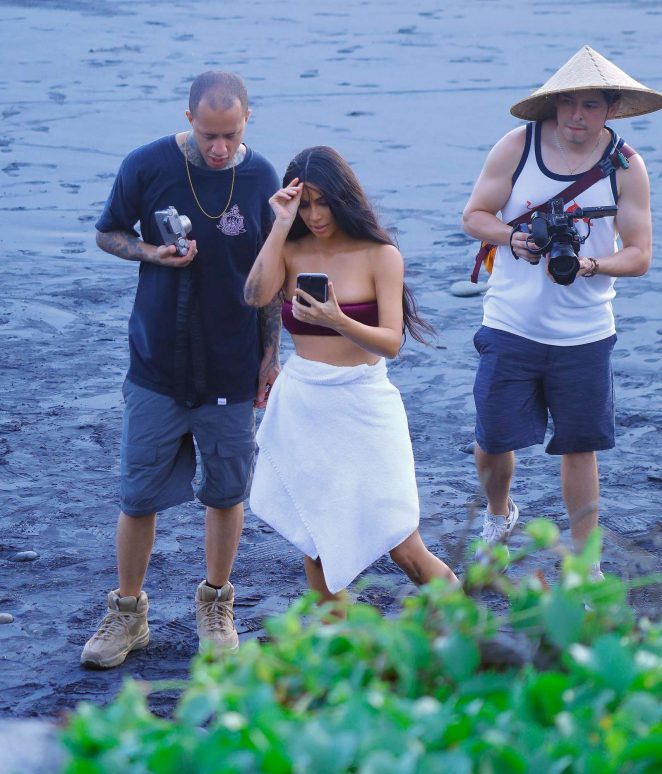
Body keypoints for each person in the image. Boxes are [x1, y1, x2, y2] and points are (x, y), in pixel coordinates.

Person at [81, 71, 281, 668]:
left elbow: (269, 280)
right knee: (138, 496)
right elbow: (106, 233)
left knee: (225, 493)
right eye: (208, 133)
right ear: (187, 116)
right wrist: (150, 253)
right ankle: (127, 613)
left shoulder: (263, 178)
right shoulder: (146, 164)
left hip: (231, 365)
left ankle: (216, 602)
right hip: (156, 363)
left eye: (230, 134)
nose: (219, 147)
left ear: (248, 118)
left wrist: (271, 357)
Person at [462, 46, 661, 570]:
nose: (576, 116)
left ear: (611, 109)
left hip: (586, 332)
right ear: (551, 104)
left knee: (579, 448)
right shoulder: (517, 146)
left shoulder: (627, 167)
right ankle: (498, 514)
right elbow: (474, 216)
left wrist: (592, 266)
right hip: (510, 323)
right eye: (566, 103)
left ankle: (585, 561)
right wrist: (513, 238)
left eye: (590, 105)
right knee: (492, 439)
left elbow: (640, 255)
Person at [244, 146, 457, 602]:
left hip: (364, 405)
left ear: (344, 198)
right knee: (318, 536)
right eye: (305, 204)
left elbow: (392, 343)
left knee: (403, 542)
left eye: (323, 202)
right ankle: (334, 653)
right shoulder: (292, 249)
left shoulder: (380, 254)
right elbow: (255, 294)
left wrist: (338, 319)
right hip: (306, 406)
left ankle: (469, 636)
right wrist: (280, 226)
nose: (315, 214)